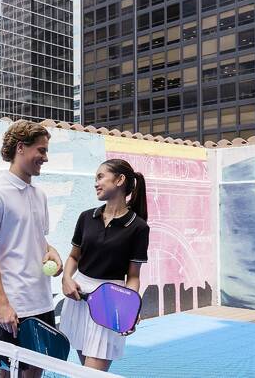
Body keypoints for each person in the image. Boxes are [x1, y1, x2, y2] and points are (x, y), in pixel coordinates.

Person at [0, 120, 64, 377]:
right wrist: (1, 303)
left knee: (35, 371)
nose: (45, 158)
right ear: (21, 148)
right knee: (6, 373)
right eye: (41, 150)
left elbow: (36, 240)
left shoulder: (39, 195)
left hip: (41, 301)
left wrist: (53, 253)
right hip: (10, 306)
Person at [59, 158, 150, 372]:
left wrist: (129, 306)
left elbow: (134, 276)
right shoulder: (86, 217)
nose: (96, 183)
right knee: (85, 371)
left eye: (100, 177)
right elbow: (74, 257)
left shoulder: (139, 227)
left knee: (92, 374)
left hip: (110, 303)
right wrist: (66, 279)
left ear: (119, 180)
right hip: (78, 299)